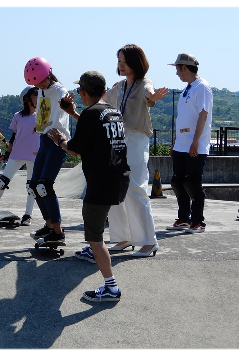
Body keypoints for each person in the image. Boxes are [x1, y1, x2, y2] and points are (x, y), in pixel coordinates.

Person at [47, 71, 130, 302]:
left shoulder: (90, 115)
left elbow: (74, 149)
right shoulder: (113, 112)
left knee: (95, 237)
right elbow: (94, 130)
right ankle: (102, 263)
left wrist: (59, 140)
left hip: (100, 181)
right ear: (103, 91)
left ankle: (111, 287)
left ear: (82, 92)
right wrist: (73, 113)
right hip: (119, 177)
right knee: (99, 233)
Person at [103, 44, 169, 257]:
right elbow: (103, 99)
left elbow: (149, 97)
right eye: (119, 61)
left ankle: (149, 241)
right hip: (117, 138)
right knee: (114, 188)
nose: (120, 65)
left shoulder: (144, 83)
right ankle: (123, 238)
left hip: (136, 138)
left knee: (135, 188)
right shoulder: (120, 86)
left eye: (124, 61)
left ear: (135, 63)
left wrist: (154, 98)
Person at [23, 57, 71, 243]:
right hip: (44, 141)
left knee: (45, 186)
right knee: (33, 186)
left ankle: (58, 233)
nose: (39, 86)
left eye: (40, 81)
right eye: (35, 84)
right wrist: (39, 126)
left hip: (58, 142)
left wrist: (68, 106)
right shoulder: (42, 91)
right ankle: (49, 225)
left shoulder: (60, 91)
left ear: (48, 74)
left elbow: (64, 109)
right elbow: (44, 113)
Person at [0, 86, 40, 226]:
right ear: (26, 99)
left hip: (34, 155)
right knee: (1, 182)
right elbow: (13, 137)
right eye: (35, 96)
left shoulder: (42, 115)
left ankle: (27, 215)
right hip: (17, 153)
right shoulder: (17, 116)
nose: (38, 98)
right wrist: (6, 154)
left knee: (31, 187)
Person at [167, 53, 213, 233]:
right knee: (178, 182)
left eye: (177, 69)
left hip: (195, 145)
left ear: (184, 67)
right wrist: (175, 142)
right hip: (181, 144)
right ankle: (184, 218)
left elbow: (203, 115)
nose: (177, 73)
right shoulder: (188, 88)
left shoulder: (202, 87)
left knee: (192, 183)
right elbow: (183, 119)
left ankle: (197, 221)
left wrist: (195, 142)